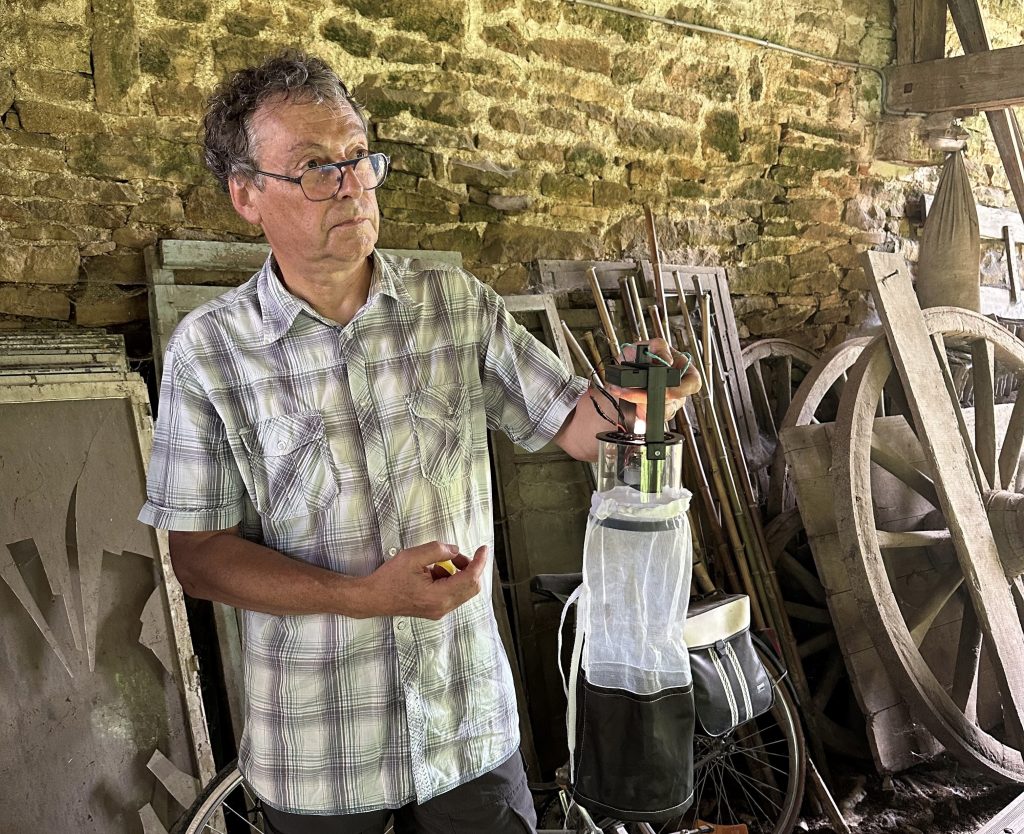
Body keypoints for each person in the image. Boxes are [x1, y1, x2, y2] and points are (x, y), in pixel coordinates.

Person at [139, 50, 699, 834]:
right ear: (246, 195)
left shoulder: (453, 304)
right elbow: (196, 559)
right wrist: (364, 598)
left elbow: (576, 424)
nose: (352, 184)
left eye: (358, 157)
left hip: (466, 729)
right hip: (320, 756)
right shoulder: (213, 351)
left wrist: (641, 398)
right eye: (314, 169)